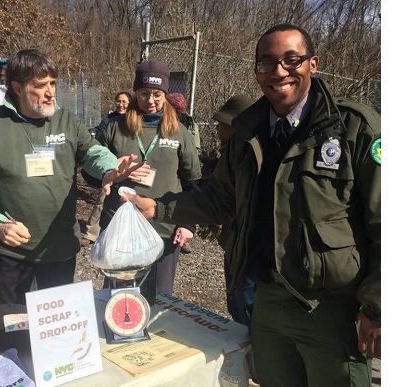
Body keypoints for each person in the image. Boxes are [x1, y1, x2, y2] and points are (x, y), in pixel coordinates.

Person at [121, 23, 381, 387]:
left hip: (331, 311)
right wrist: (158, 208)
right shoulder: (248, 132)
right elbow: (220, 200)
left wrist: (376, 307)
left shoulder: (355, 129)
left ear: (313, 64)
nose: (279, 72)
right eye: (267, 63)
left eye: (292, 60)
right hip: (268, 304)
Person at [0, 48, 142, 307]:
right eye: (41, 85)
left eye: (53, 83)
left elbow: (93, 152)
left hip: (58, 250)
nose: (51, 92)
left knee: (55, 331)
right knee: (10, 331)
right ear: (17, 87)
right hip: (10, 254)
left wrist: (110, 169)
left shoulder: (67, 121)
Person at [96, 59, 202, 297]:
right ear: (135, 92)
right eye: (144, 93)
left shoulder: (178, 132)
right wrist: (114, 172)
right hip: (120, 228)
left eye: (157, 94)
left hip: (164, 228)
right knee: (118, 299)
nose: (151, 101)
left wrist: (188, 224)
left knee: (158, 298)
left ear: (165, 94)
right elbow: (91, 173)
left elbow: (193, 182)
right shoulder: (115, 128)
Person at [209, 94, 255, 326]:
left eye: (222, 124)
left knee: (246, 309)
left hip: (248, 252)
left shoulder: (247, 157)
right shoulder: (229, 153)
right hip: (234, 246)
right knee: (236, 304)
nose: (217, 129)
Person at [80, 91, 133, 247]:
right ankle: (91, 233)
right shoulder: (108, 122)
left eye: (124, 101)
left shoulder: (134, 121)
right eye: (118, 101)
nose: (121, 104)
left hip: (130, 167)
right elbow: (99, 145)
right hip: (111, 170)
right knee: (102, 200)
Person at [165, 92, 202, 254]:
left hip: (185, 166)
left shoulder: (185, 125)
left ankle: (183, 232)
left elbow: (194, 147)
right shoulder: (188, 121)